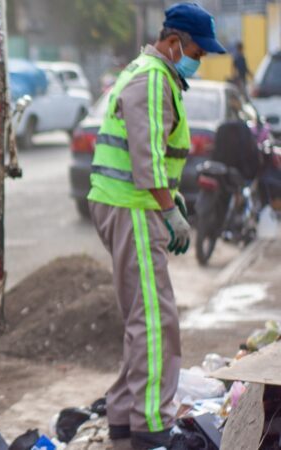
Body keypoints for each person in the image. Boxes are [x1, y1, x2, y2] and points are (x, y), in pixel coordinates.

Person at [86, 3, 226, 449]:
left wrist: (173, 198)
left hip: (129, 205)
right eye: (196, 52)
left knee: (145, 318)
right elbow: (145, 160)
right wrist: (168, 210)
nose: (198, 60)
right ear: (173, 43)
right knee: (153, 322)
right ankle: (150, 427)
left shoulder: (150, 74)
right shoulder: (152, 78)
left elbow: (149, 156)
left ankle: (126, 419)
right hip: (132, 207)